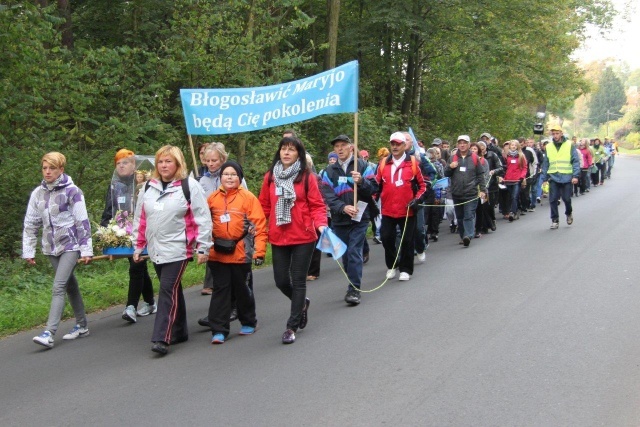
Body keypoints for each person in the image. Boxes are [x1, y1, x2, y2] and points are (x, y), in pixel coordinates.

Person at [132, 145, 212, 355]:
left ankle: (162, 338)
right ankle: (179, 330)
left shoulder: (189, 186)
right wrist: (138, 245)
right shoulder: (148, 187)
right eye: (160, 161)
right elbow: (141, 219)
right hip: (157, 248)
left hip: (179, 248)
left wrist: (203, 246)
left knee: (167, 289)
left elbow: (202, 217)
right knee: (173, 289)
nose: (164, 165)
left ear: (178, 164)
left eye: (168, 161)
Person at [259, 136, 328, 344]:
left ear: (299, 153)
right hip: (278, 235)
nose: (286, 152)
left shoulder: (306, 177)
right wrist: (257, 226)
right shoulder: (270, 177)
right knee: (281, 280)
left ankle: (291, 326)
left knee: (298, 281)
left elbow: (317, 205)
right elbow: (264, 205)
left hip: (303, 235)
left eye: (291, 149)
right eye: (283, 149)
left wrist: (321, 224)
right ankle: (302, 303)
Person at [24, 152, 93, 349]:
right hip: (49, 247)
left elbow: (82, 221)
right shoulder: (38, 193)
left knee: (58, 286)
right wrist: (28, 250)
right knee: (70, 285)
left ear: (61, 170)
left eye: (52, 168)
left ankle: (49, 332)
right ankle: (82, 325)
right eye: (45, 168)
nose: (47, 172)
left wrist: (86, 249)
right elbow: (31, 223)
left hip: (71, 245)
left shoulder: (73, 191)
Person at [207, 161, 267, 344]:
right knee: (220, 290)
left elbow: (259, 225)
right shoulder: (212, 198)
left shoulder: (248, 198)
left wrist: (260, 251)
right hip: (217, 253)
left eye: (233, 174)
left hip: (241, 252)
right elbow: (202, 224)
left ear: (239, 178)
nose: (229, 177)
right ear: (220, 177)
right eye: (226, 174)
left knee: (242, 289)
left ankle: (249, 321)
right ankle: (219, 329)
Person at [320, 134, 378, 305]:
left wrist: (361, 183)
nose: (340, 149)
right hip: (340, 219)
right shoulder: (327, 172)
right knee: (345, 254)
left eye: (343, 145)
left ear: (351, 147)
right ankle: (352, 282)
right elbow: (328, 196)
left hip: (360, 217)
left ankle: (354, 289)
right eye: (337, 146)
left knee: (354, 251)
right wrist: (342, 207)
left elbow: (374, 189)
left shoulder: (364, 166)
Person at [100, 149, 156, 324]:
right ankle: (150, 302)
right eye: (118, 163)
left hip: (141, 231)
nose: (121, 166)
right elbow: (109, 209)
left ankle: (130, 307)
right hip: (122, 233)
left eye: (125, 162)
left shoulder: (143, 183)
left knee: (136, 265)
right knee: (139, 265)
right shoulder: (114, 186)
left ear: (134, 165)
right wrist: (104, 231)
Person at [375, 132, 426, 281]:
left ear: (405, 146)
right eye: (393, 144)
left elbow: (423, 186)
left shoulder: (413, 163)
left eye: (398, 144)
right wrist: (372, 203)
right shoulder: (383, 163)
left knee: (407, 240)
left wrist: (417, 200)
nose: (395, 147)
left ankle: (406, 269)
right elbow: (376, 186)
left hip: (407, 210)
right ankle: (392, 265)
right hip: (388, 209)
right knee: (386, 238)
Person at [444, 135, 487, 247]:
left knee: (469, 215)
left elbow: (480, 175)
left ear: (468, 144)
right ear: (457, 144)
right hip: (457, 193)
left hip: (471, 192)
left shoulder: (474, 157)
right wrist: (450, 167)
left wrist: (483, 190)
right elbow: (445, 174)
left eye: (464, 143)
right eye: (460, 143)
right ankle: (464, 236)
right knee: (460, 216)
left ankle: (468, 235)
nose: (462, 145)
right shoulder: (452, 158)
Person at [540, 125, 580, 230]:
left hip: (566, 176)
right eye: (553, 134)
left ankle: (568, 213)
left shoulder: (569, 145)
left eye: (557, 133)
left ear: (561, 133)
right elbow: (546, 163)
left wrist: (575, 175)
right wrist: (544, 178)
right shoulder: (548, 146)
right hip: (553, 176)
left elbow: (575, 160)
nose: (555, 135)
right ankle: (555, 220)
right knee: (552, 199)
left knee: (566, 198)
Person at [501, 140, 528, 222]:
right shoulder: (507, 156)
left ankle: (513, 212)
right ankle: (516, 209)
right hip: (508, 179)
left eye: (515, 145)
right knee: (511, 196)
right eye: (512, 145)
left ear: (517, 147)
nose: (513, 146)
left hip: (517, 179)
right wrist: (503, 177)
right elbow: (505, 167)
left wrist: (522, 176)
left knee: (514, 196)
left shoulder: (521, 156)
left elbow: (524, 167)